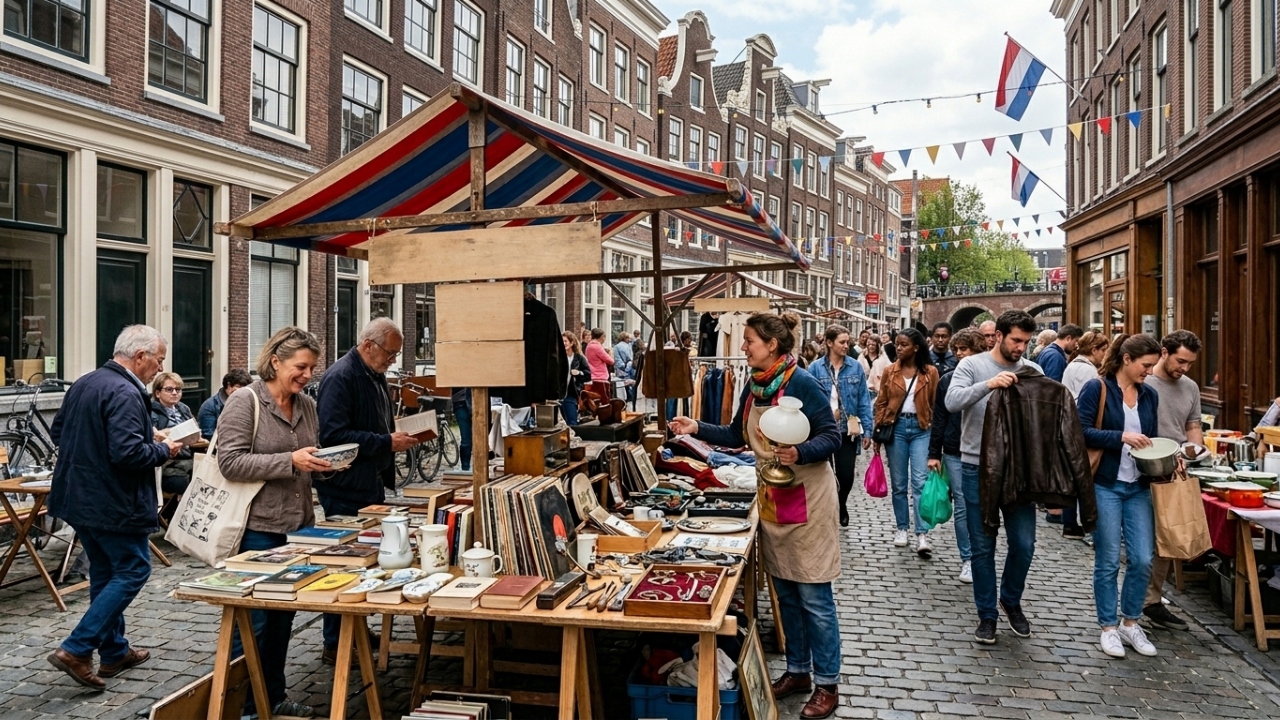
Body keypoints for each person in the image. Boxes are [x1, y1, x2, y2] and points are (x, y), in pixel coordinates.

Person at [669, 312, 844, 719]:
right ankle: (798, 672)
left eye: (749, 340)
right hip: (773, 499)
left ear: (772, 345)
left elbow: (832, 436)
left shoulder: (802, 383)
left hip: (809, 499)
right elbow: (735, 435)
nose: (744, 347)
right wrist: (695, 427)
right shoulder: (754, 385)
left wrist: (800, 451)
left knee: (814, 597)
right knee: (786, 595)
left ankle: (828, 683)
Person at [46, 325, 183, 690]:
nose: (160, 368)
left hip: (78, 497)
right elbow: (128, 454)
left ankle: (113, 651)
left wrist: (140, 435)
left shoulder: (85, 382)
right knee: (133, 569)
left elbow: (60, 433)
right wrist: (163, 449)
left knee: (106, 572)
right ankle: (77, 648)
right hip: (113, 501)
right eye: (159, 360)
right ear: (140, 356)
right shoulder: (125, 391)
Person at [218, 326, 331, 718]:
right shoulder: (245, 401)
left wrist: (327, 463)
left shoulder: (307, 405)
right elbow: (229, 462)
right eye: (301, 367)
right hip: (257, 530)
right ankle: (242, 707)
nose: (307, 375)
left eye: (312, 368)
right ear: (275, 362)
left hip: (298, 528)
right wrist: (290, 461)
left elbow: (309, 455)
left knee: (284, 617)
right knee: (254, 624)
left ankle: (273, 696)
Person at [316, 317, 420, 664]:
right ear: (368, 345)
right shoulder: (341, 377)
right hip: (345, 487)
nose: (393, 360)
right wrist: (386, 442)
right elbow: (333, 436)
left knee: (365, 561)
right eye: (390, 353)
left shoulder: (373, 373)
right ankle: (335, 641)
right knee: (345, 563)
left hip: (369, 481)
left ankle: (355, 627)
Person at [945, 310, 1042, 645]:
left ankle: (1010, 599)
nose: (1021, 348)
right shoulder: (972, 366)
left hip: (1019, 471)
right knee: (982, 546)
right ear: (998, 336)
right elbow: (952, 401)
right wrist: (988, 384)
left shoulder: (1033, 371)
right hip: (977, 467)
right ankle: (987, 614)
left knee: (1024, 544)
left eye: (1026, 342)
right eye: (1016, 340)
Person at [1077, 333, 1162, 659]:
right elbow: (1080, 430)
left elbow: (1152, 436)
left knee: (1142, 559)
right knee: (1109, 559)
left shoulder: (1149, 395)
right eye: (1145, 365)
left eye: (1152, 366)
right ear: (1127, 359)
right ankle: (1108, 627)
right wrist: (1121, 437)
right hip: (1105, 484)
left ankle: (1130, 622)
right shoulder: (1097, 388)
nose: (1149, 372)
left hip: (1138, 486)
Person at [1142, 330, 1203, 632]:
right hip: (1143, 468)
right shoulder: (1144, 380)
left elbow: (1193, 426)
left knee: (1167, 538)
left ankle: (1151, 600)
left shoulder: (1190, 387)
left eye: (1190, 363)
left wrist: (1196, 450)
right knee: (1144, 542)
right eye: (1181, 361)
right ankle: (1139, 601)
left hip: (1175, 470)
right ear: (1164, 352)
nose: (1185, 368)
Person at [874, 328, 940, 557]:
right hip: (897, 428)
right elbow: (881, 402)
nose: (899, 348)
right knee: (899, 484)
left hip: (922, 428)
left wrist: (936, 438)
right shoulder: (889, 371)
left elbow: (936, 404)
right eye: (897, 344)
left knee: (920, 482)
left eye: (904, 345)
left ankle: (922, 533)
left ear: (916, 347)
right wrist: (877, 432)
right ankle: (902, 528)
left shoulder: (930, 372)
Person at [928, 328, 986, 583]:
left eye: (965, 349)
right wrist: (934, 453)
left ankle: (982, 554)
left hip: (985, 450)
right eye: (957, 349)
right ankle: (968, 558)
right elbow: (939, 418)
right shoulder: (947, 380)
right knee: (962, 503)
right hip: (954, 449)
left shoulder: (989, 379)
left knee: (982, 505)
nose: (960, 354)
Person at [808, 324, 874, 528]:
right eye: (842, 342)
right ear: (829, 343)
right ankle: (829, 510)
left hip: (848, 429)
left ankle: (841, 504)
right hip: (822, 429)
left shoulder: (855, 367)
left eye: (848, 342)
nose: (846, 346)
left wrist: (867, 430)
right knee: (823, 474)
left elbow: (863, 399)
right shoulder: (815, 368)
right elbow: (808, 399)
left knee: (846, 475)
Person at [1060, 330, 1110, 539]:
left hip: (1068, 423)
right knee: (1080, 474)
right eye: (1103, 350)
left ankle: (1070, 522)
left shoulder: (1073, 365)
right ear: (1094, 350)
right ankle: (1074, 522)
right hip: (1077, 426)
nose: (1105, 355)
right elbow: (1088, 403)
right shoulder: (1087, 371)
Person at [149, 371, 197, 509]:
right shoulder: (151, 412)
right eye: (169, 389)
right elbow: (152, 439)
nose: (175, 393)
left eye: (178, 389)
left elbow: (195, 430)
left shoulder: (184, 408)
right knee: (186, 483)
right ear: (158, 393)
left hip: (189, 458)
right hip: (167, 465)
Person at [198, 370, 252, 438]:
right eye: (239, 387)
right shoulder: (209, 406)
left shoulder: (247, 402)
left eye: (245, 388)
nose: (243, 391)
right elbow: (208, 435)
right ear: (229, 386)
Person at [1062, 331, 1110, 399]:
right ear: (1094, 350)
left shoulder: (1074, 364)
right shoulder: (1086, 369)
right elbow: (1085, 398)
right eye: (1103, 350)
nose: (1105, 353)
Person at [562, 331, 589, 425]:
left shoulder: (579, 358)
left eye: (565, 341)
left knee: (571, 421)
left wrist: (579, 373)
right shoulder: (558, 357)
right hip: (558, 394)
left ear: (572, 343)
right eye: (562, 341)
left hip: (572, 392)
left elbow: (588, 374)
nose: (563, 343)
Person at [858, 336, 890, 400]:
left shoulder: (882, 357)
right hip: (864, 387)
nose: (870, 346)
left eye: (873, 345)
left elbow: (888, 369)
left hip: (878, 388)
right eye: (869, 344)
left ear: (877, 345)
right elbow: (858, 370)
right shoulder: (863, 356)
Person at [585, 328, 614, 398]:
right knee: (604, 399)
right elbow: (610, 361)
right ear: (601, 337)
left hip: (592, 375)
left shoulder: (589, 346)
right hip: (600, 376)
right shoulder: (597, 347)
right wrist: (610, 354)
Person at [614, 331, 636, 406]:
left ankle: (625, 404)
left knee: (623, 388)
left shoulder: (617, 347)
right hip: (631, 368)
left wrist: (623, 367)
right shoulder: (629, 346)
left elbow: (617, 360)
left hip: (622, 370)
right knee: (631, 386)